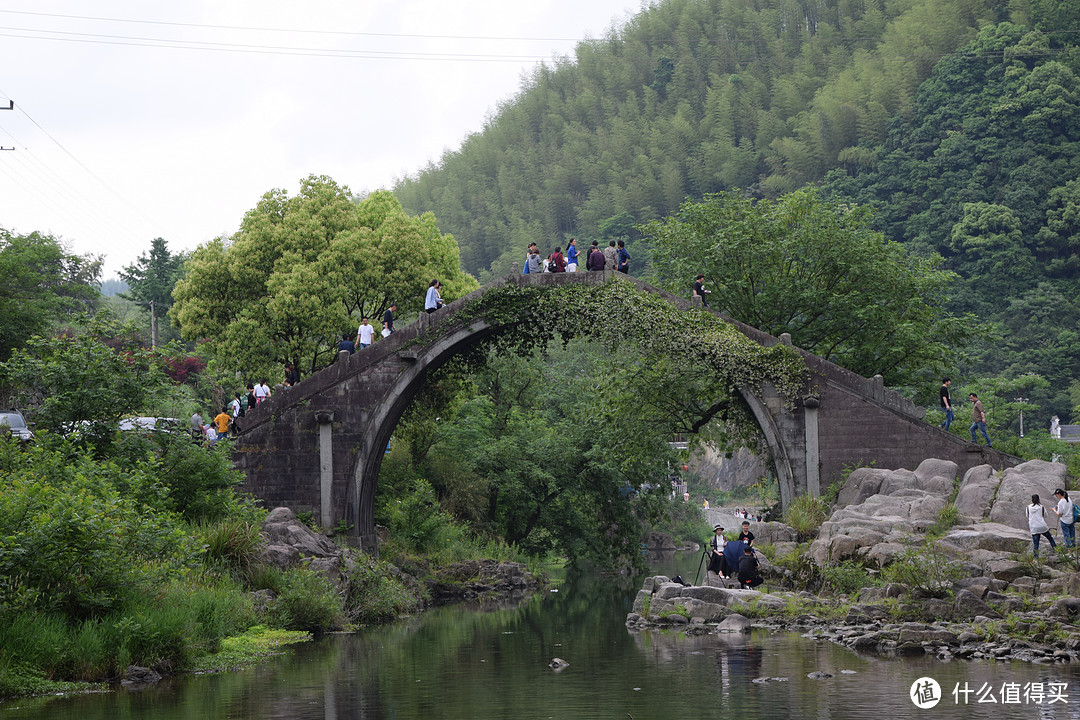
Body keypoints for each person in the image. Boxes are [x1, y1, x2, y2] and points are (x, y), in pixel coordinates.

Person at [1028, 494, 1057, 558]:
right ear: (1039, 499)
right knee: (1050, 538)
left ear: (1032, 500)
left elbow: (1027, 515)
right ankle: (1057, 551)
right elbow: (1046, 515)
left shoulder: (1028, 507)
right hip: (1042, 526)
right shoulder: (1041, 507)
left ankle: (1036, 558)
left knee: (1036, 543)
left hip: (1033, 527)